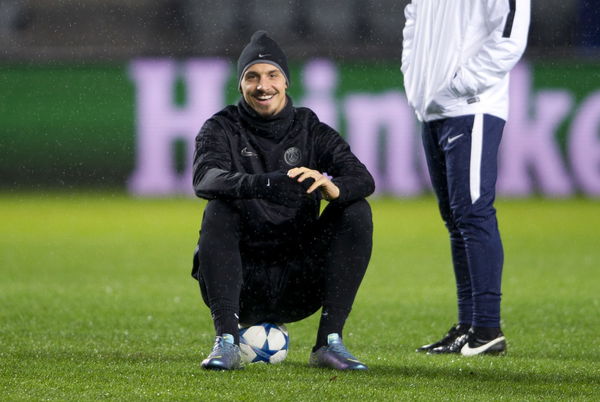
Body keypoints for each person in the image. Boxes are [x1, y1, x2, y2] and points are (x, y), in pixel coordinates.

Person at [191, 31, 375, 370]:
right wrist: (266, 184)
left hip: (299, 284)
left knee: (355, 209)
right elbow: (205, 180)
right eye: (252, 76)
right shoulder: (221, 128)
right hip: (240, 283)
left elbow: (362, 178)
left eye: (272, 75)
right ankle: (226, 342)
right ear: (240, 84)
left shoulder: (309, 128)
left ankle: (329, 343)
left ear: (286, 82)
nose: (263, 86)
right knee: (219, 205)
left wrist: (333, 188)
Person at [401, 0, 530, 356]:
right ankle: (469, 324)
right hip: (433, 107)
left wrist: (460, 85)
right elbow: (413, 20)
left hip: (471, 106)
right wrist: (417, 84)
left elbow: (509, 35)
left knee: (473, 213)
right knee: (457, 220)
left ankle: (487, 326)